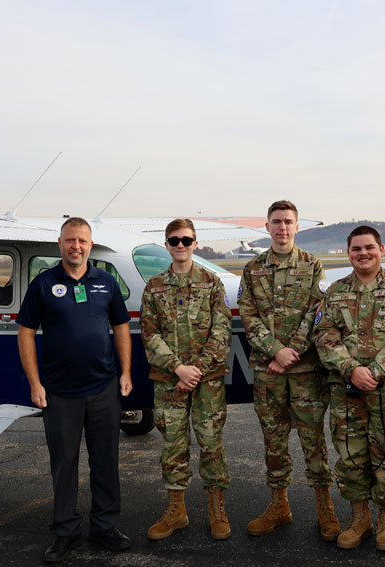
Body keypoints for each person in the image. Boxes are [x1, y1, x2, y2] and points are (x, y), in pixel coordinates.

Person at [17, 217, 132, 563]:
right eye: (70, 240)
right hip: (60, 393)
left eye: (82, 241)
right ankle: (65, 531)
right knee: (64, 464)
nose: (76, 246)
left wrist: (125, 373)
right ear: (60, 244)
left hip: (103, 388)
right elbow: (25, 332)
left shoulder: (106, 282)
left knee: (106, 462)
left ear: (90, 245)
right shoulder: (43, 284)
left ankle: (104, 527)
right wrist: (35, 384)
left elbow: (121, 326)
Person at [314, 225, 385, 551]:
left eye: (369, 247)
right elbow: (324, 336)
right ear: (348, 253)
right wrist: (351, 369)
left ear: (381, 249)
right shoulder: (334, 293)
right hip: (347, 389)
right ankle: (359, 518)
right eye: (356, 249)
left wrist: (373, 371)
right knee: (350, 455)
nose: (363, 253)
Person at [238, 200, 340, 541]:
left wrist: (290, 351)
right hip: (269, 371)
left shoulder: (313, 265)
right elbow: (247, 316)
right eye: (276, 222)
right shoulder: (252, 269)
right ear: (267, 227)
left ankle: (324, 507)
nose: (282, 227)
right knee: (274, 440)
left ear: (297, 227)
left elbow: (318, 313)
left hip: (305, 371)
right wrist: (274, 350)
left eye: (288, 222)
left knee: (313, 441)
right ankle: (279, 505)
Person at [140, 219, 232, 541]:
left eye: (186, 240)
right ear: (166, 244)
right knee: (173, 445)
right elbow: (149, 334)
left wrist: (195, 372)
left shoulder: (212, 283)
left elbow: (222, 331)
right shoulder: (154, 287)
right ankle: (176, 512)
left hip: (206, 381)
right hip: (169, 381)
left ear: (195, 243)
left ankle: (217, 509)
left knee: (211, 444)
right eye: (174, 240)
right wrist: (179, 369)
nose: (180, 245)